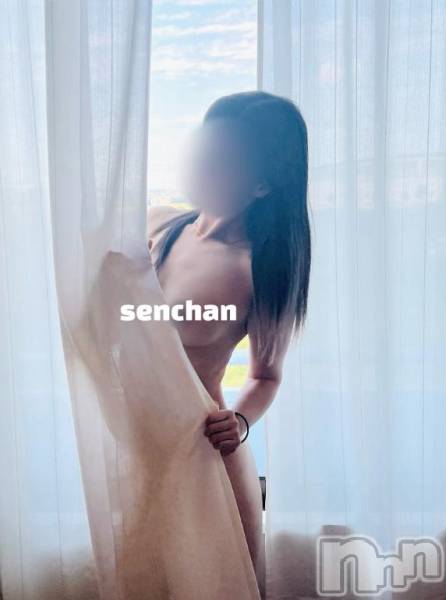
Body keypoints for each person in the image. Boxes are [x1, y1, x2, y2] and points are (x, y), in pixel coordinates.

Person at [147, 90, 311, 591]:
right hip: (134, 444)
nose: (201, 166)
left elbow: (266, 375)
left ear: (262, 184)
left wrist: (239, 420)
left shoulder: (256, 269)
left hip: (203, 454)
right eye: (204, 150)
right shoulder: (157, 225)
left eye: (221, 160)